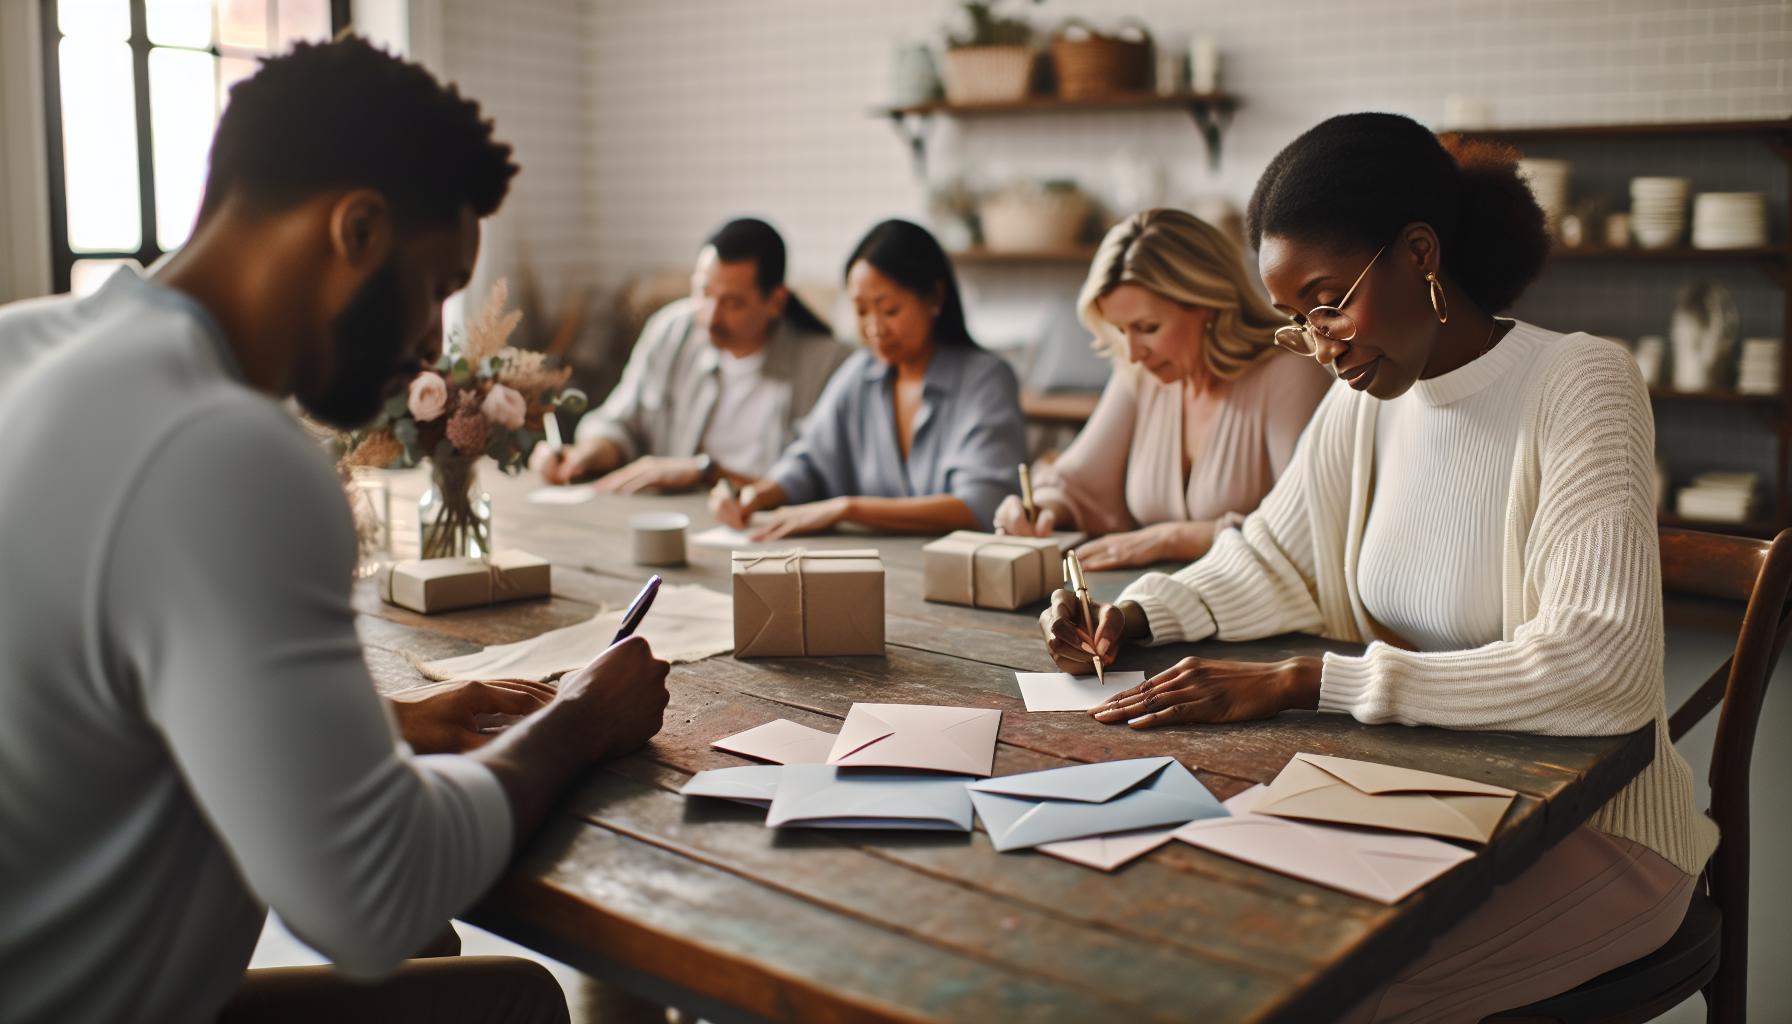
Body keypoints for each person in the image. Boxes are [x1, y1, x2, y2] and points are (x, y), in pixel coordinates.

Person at [0, 39, 672, 1024]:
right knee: (516, 1002)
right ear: (356, 229)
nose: (431, 341)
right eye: (437, 284)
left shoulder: (25, 346)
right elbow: (375, 897)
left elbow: (89, 699)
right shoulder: (223, 446)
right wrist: (579, 718)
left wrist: (386, 727)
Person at [1039, 113, 1717, 1022]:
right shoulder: (1369, 401)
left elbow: (1600, 671)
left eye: (1327, 302)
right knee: (1205, 940)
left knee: (1316, 994)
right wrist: (1136, 615)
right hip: (1434, 798)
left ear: (1420, 254)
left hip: (1595, 834)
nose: (1321, 344)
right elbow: (1273, 559)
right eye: (1295, 322)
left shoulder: (1580, 384)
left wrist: (1308, 680)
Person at [993, 209, 1328, 570]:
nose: (1134, 352)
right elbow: (1078, 484)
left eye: (1148, 327)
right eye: (1121, 331)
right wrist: (1039, 508)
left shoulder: (1290, 370)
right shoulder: (1141, 373)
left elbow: (1308, 525)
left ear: (1208, 305)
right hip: (1157, 604)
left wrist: (1170, 539)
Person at [710, 219, 1027, 540]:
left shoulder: (986, 380)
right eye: (861, 311)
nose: (874, 327)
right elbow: (809, 461)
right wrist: (757, 496)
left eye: (889, 310)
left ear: (934, 298)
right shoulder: (859, 372)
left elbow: (981, 504)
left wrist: (849, 509)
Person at [532, 218, 851, 493]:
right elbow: (622, 420)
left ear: (776, 301)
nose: (711, 317)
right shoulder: (673, 330)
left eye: (732, 303)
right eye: (703, 293)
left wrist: (703, 472)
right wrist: (588, 453)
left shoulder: (828, 365)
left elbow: (819, 482)